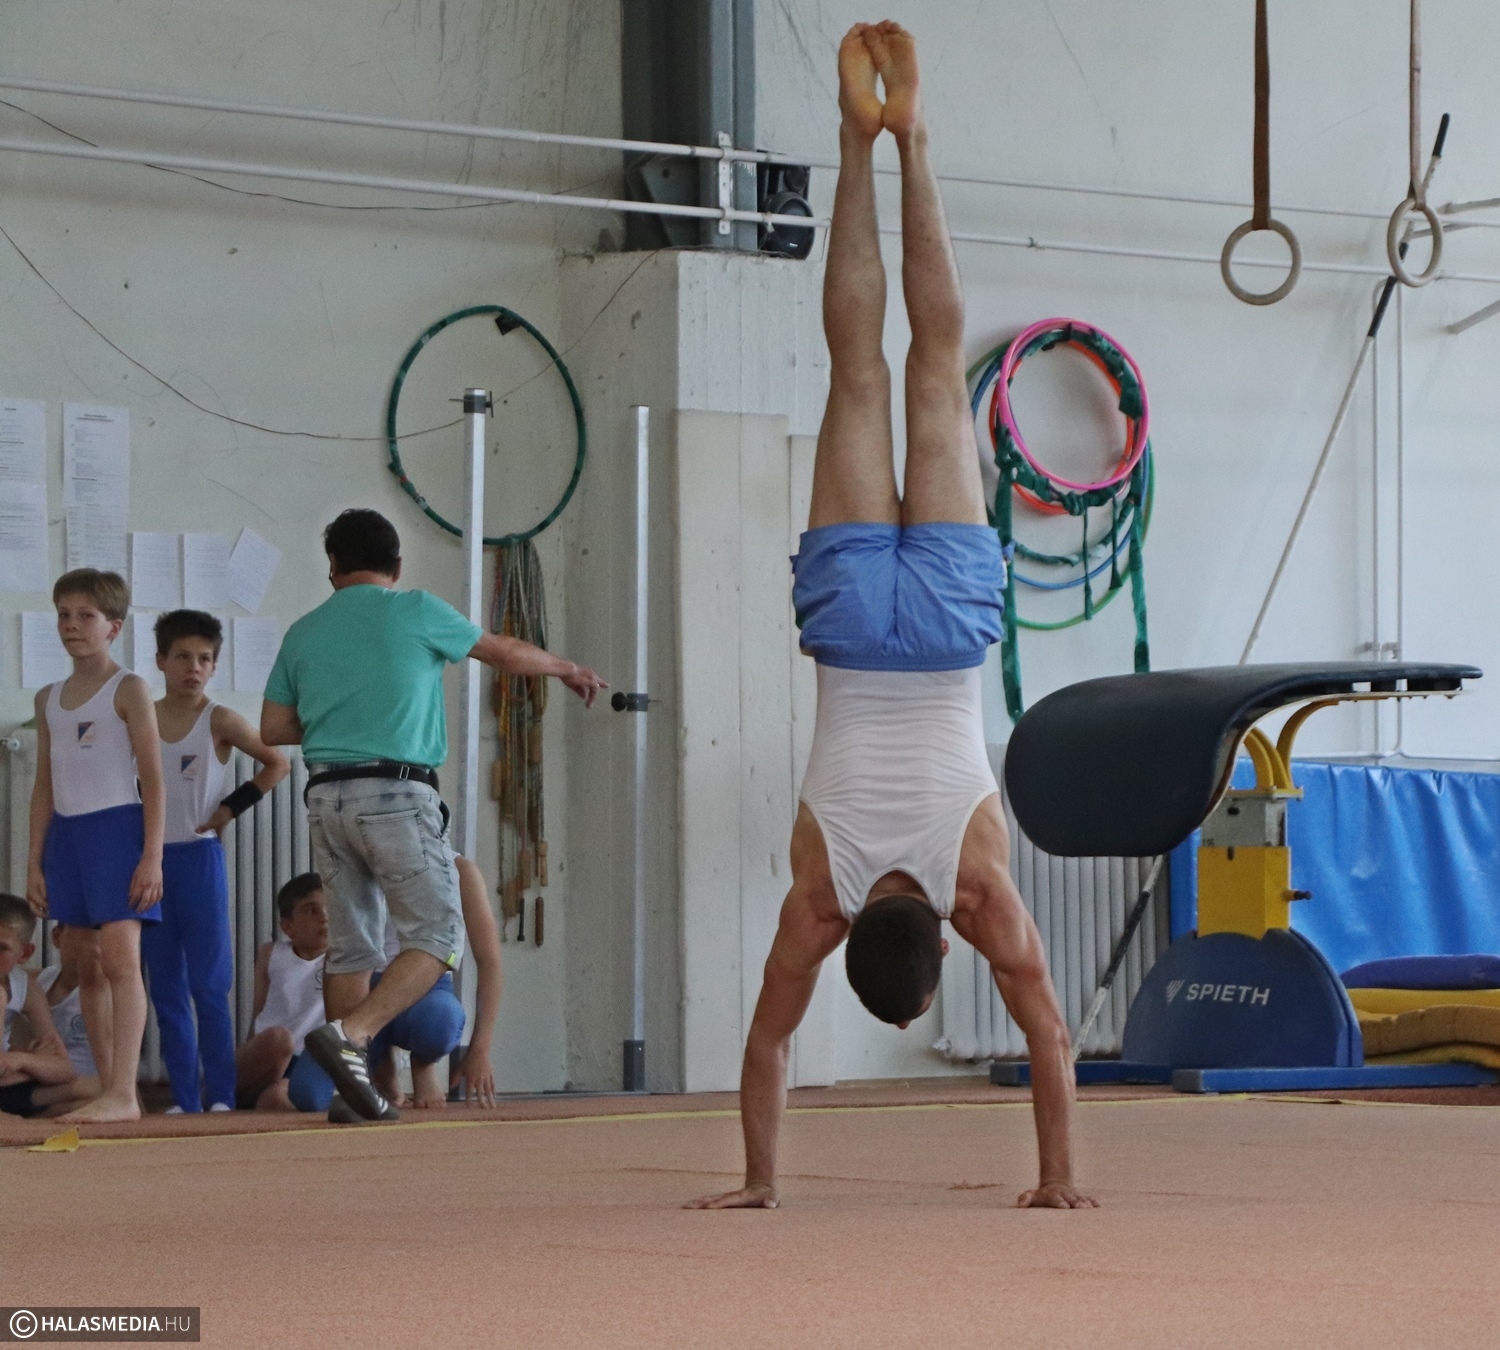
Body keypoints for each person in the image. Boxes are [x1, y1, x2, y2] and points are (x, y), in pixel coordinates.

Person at [688, 23, 1094, 1213]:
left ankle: (911, 138)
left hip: (952, 622)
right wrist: (757, 1178)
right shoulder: (818, 894)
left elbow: (1050, 1033)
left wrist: (1062, 1179)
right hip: (854, 620)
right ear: (849, 934)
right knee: (859, 368)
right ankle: (861, 142)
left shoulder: (981, 892)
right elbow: (766, 1047)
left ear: (944, 941)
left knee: (935, 363)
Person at [261, 508, 606, 1121]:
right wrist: (566, 668)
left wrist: (340, 716)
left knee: (351, 948)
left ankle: (353, 1090)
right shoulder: (416, 609)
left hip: (326, 796)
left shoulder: (303, 631)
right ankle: (352, 1035)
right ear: (397, 566)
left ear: (332, 567)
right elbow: (501, 652)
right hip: (395, 793)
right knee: (438, 938)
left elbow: (274, 727)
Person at [26, 568, 165, 1123]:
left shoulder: (128, 689)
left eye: (86, 616)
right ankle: (109, 1088)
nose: (72, 625)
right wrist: (34, 862)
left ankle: (125, 1091)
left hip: (117, 831)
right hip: (68, 834)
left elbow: (153, 780)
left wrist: (151, 855)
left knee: (120, 961)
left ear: (114, 627)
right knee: (85, 964)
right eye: (64, 614)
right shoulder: (48, 699)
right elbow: (43, 787)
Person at [142, 610, 290, 1114]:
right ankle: (185, 1100)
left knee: (209, 985)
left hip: (199, 859)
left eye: (204, 659)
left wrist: (230, 808)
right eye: (183, 657)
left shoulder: (219, 720)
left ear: (214, 665)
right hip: (151, 862)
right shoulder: (140, 717)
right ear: (161, 660)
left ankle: (222, 1096)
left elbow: (278, 762)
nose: (194, 667)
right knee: (166, 988)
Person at [288, 855, 504, 1119]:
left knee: (440, 1022)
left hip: (425, 994)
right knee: (306, 1094)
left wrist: (480, 1049)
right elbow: (337, 956)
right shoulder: (355, 864)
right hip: (363, 994)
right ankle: (383, 1063)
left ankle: (423, 1062)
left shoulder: (459, 870)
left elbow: (490, 962)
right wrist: (340, 1036)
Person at [236, 873, 329, 1113]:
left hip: (306, 1063)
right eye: (312, 911)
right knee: (279, 1039)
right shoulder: (271, 954)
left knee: (276, 1099)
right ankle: (225, 1092)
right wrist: (250, 1054)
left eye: (329, 908)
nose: (325, 917)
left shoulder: (345, 960)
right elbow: (258, 1013)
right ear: (288, 927)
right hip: (271, 1051)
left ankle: (266, 1099)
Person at [0, 895, 94, 1118]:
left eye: (1, 948)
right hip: (9, 1080)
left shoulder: (28, 988)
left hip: (9, 1086)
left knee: (99, 1090)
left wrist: (21, 1060)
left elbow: (63, 1068)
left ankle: (22, 1121)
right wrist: (27, 1065)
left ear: (25, 953)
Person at [37, 924, 97, 1081]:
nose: (91, 945)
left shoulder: (109, 993)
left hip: (89, 1084)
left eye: (98, 937)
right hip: (44, 1077)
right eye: (82, 935)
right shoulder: (37, 982)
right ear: (57, 937)